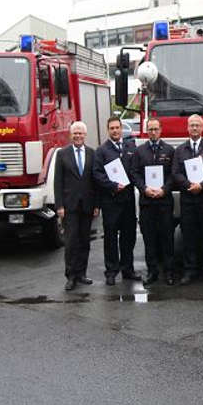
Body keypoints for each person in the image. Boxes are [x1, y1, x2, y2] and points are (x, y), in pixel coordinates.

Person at [172, 114, 203, 285]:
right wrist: (188, 184)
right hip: (188, 198)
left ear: (202, 128)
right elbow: (175, 172)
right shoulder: (180, 150)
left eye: (197, 125)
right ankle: (189, 270)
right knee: (188, 235)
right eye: (191, 125)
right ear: (187, 128)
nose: (194, 128)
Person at [93, 116, 141, 286]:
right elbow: (97, 174)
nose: (115, 131)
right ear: (108, 130)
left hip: (127, 200)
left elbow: (135, 170)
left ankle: (128, 269)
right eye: (112, 128)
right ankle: (111, 271)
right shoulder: (102, 150)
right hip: (111, 201)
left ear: (121, 129)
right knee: (111, 237)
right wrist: (113, 185)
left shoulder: (130, 147)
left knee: (129, 236)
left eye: (117, 128)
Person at [130, 118, 176, 286]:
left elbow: (174, 174)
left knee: (167, 238)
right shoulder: (139, 151)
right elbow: (134, 173)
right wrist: (144, 189)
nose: (153, 132)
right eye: (150, 129)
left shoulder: (170, 150)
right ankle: (152, 271)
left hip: (164, 201)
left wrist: (164, 189)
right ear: (147, 131)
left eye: (156, 129)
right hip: (147, 202)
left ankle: (169, 272)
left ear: (161, 130)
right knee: (149, 238)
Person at [54, 121, 99, 291]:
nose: (78, 136)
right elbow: (57, 182)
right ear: (70, 135)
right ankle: (71, 276)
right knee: (71, 242)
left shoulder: (92, 153)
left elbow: (95, 182)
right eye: (75, 133)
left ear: (85, 135)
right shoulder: (62, 154)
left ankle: (81, 274)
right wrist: (59, 206)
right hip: (69, 205)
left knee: (84, 241)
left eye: (81, 133)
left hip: (87, 205)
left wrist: (96, 205)